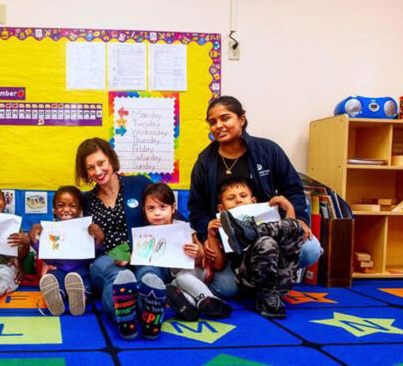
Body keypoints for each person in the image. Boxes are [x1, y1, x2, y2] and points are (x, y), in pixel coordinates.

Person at [187, 96, 321, 299]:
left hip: (270, 235)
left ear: (241, 119)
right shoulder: (205, 162)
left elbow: (292, 188)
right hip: (231, 248)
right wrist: (207, 238)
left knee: (311, 249)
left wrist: (300, 220)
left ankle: (264, 280)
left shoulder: (267, 150)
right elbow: (196, 208)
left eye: (225, 118)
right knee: (226, 289)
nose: (219, 125)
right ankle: (259, 279)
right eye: (213, 122)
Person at [76, 137, 163, 341]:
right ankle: (145, 315)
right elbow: (81, 243)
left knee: (148, 276)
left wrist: (192, 236)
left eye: (101, 163)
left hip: (145, 254)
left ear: (111, 160)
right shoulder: (86, 201)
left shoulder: (140, 184)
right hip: (108, 259)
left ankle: (136, 313)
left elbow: (167, 213)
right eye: (90, 168)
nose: (97, 171)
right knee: (116, 279)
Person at [206, 177, 305, 318]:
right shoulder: (221, 225)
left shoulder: (267, 216)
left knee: (295, 227)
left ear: (253, 201)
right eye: (231, 198)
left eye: (243, 196)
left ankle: (252, 233)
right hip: (250, 281)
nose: (238, 200)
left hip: (283, 276)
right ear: (221, 208)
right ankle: (266, 297)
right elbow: (218, 265)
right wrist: (211, 235)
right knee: (266, 242)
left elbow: (291, 238)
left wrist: (289, 208)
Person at [138, 183, 232, 322]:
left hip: (196, 272)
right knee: (171, 288)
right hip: (176, 280)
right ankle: (190, 307)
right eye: (151, 208)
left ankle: (210, 299)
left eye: (163, 207)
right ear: (144, 210)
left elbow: (201, 258)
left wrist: (198, 254)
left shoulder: (182, 228)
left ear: (173, 208)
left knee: (182, 277)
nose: (157, 213)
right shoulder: (145, 235)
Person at [29, 185, 99, 316]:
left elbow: (93, 254)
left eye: (72, 205)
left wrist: (99, 239)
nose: (66, 210)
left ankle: (80, 298)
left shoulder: (87, 230)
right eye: (61, 205)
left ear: (80, 209)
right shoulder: (50, 231)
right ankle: (57, 299)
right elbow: (47, 256)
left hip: (81, 270)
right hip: (58, 269)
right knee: (53, 279)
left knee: (83, 280)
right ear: (54, 210)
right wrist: (34, 240)